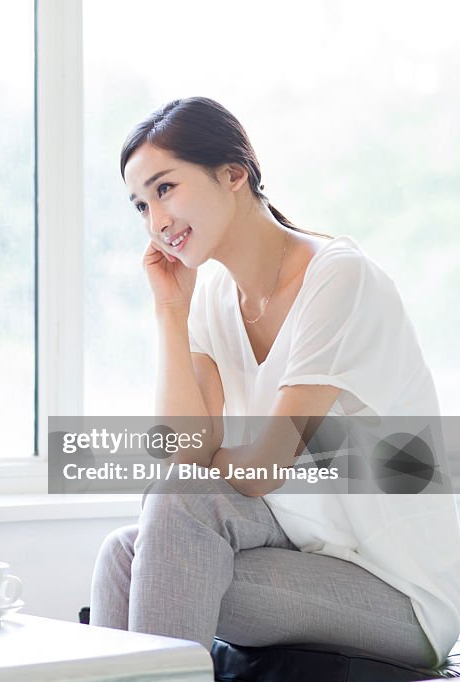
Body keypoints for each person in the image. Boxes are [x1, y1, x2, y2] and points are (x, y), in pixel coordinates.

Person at [90, 97, 460, 668]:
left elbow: (262, 466)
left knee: (171, 536)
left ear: (234, 174)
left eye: (165, 189)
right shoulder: (213, 295)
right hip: (302, 547)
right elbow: (185, 453)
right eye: (140, 205)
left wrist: (203, 464)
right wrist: (170, 310)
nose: (155, 221)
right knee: (122, 553)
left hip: (399, 591)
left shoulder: (339, 278)